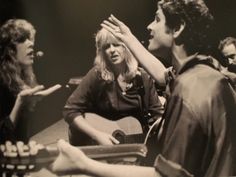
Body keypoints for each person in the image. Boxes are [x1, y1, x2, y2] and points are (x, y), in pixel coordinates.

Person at [49, 0, 236, 177]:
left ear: (178, 28)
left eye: (156, 19)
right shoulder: (206, 73)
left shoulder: (186, 91)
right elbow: (164, 76)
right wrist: (129, 38)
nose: (149, 26)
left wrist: (82, 163)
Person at [63, 28, 164, 146]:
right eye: (106, 47)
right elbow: (69, 110)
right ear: (102, 52)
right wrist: (97, 135)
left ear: (126, 47)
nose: (112, 50)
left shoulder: (142, 78)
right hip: (99, 146)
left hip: (133, 143)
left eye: (116, 45)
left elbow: (158, 116)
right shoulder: (97, 75)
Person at [0, 19, 61, 144]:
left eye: (30, 38)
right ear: (10, 50)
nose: (31, 43)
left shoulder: (22, 78)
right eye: (22, 39)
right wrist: (20, 102)